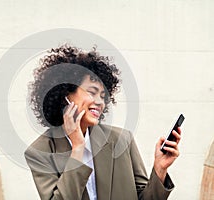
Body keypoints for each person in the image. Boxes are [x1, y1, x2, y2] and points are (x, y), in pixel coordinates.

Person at [24, 45, 181, 200]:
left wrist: (159, 170)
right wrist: (78, 148)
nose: (100, 102)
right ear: (66, 94)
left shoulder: (122, 139)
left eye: (103, 96)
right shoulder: (40, 151)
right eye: (92, 92)